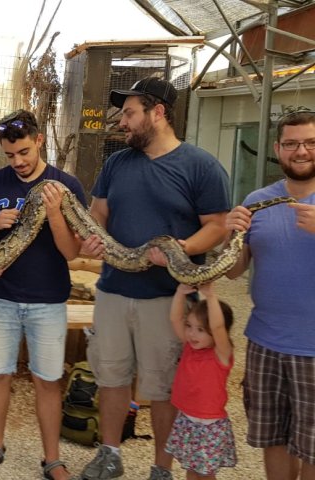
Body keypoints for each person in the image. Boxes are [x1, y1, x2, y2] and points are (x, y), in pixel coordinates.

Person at [75, 77, 230, 480]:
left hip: (167, 298)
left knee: (162, 387)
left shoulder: (200, 165)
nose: (122, 121)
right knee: (111, 376)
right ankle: (110, 454)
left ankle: (161, 467)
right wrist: (92, 240)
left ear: (157, 112)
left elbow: (218, 226)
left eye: (129, 113)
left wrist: (180, 248)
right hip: (112, 291)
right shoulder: (116, 163)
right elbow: (99, 216)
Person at [0, 109, 85, 480]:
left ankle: (52, 458)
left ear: (40, 141)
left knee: (47, 379)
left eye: (24, 153)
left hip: (48, 300)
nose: (17, 162)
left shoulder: (65, 185)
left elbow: (71, 253)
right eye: (10, 155)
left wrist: (56, 215)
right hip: (0, 297)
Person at [225, 108, 315, 480]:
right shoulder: (257, 201)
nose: (301, 151)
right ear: (278, 149)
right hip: (265, 343)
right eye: (291, 143)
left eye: (310, 142)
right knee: (273, 440)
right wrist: (231, 236)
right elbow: (232, 270)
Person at [165, 282, 236, 479]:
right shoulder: (189, 347)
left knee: (206, 473)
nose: (191, 333)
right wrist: (179, 293)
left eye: (200, 330)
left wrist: (211, 297)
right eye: (189, 327)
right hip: (187, 419)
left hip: (209, 424)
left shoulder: (221, 354)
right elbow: (175, 318)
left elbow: (218, 325)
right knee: (190, 468)